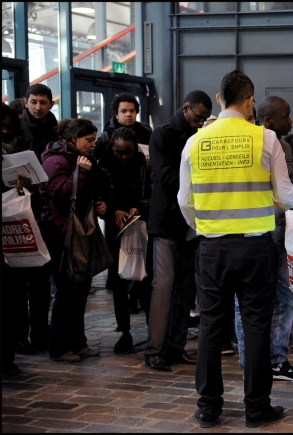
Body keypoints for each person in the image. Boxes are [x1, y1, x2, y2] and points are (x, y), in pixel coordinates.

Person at [178, 70, 293, 428]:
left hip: (212, 249)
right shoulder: (266, 138)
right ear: (250, 101)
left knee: (212, 326)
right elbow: (287, 196)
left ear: (218, 99)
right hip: (256, 247)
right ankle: (257, 408)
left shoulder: (195, 141)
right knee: (257, 325)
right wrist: (274, 202)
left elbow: (185, 200)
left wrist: (206, 227)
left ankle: (208, 407)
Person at [233, 95, 293, 383]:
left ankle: (276, 360)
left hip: (283, 231)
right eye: (285, 116)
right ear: (267, 121)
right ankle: (249, 360)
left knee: (286, 296)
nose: (290, 121)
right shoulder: (252, 143)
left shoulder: (285, 145)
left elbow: (289, 185)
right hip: (256, 234)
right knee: (248, 300)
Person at [144, 90, 212, 372]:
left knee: (185, 287)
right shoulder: (163, 134)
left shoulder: (200, 135)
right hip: (168, 221)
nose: (201, 122)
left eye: (205, 119)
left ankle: (176, 346)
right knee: (164, 285)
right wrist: (201, 183)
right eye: (198, 117)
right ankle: (154, 349)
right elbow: (167, 176)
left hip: (191, 221)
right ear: (185, 109)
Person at [40, 118, 115, 362]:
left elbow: (87, 191)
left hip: (77, 231)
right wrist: (81, 173)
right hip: (60, 234)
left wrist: (100, 202)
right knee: (66, 291)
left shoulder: (78, 158)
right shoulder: (56, 160)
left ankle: (78, 343)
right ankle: (59, 348)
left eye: (94, 140)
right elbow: (61, 194)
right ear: (73, 139)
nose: (93, 145)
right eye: (89, 140)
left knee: (80, 289)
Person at [4, 102, 54, 355]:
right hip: (7, 229)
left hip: (29, 222)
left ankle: (38, 335)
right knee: (13, 291)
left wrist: (27, 186)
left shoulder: (24, 148)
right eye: (1, 127)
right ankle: (17, 339)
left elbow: (40, 187)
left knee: (37, 284)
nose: (5, 131)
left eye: (9, 127)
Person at [97, 127, 153, 353]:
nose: (123, 157)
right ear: (112, 147)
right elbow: (98, 197)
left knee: (146, 280)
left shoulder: (145, 162)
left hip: (141, 225)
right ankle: (124, 332)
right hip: (115, 228)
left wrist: (138, 206)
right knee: (119, 282)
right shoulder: (102, 164)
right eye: (119, 152)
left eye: (128, 152)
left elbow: (152, 192)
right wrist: (112, 211)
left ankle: (153, 331)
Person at [93, 93, 152, 161]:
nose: (128, 114)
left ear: (136, 113)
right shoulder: (107, 137)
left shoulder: (145, 133)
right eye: (123, 111)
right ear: (116, 115)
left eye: (132, 111)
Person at [19, 84, 58, 161]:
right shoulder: (16, 126)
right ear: (26, 103)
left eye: (43, 103)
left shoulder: (57, 129)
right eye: (34, 102)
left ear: (51, 104)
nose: (38, 108)